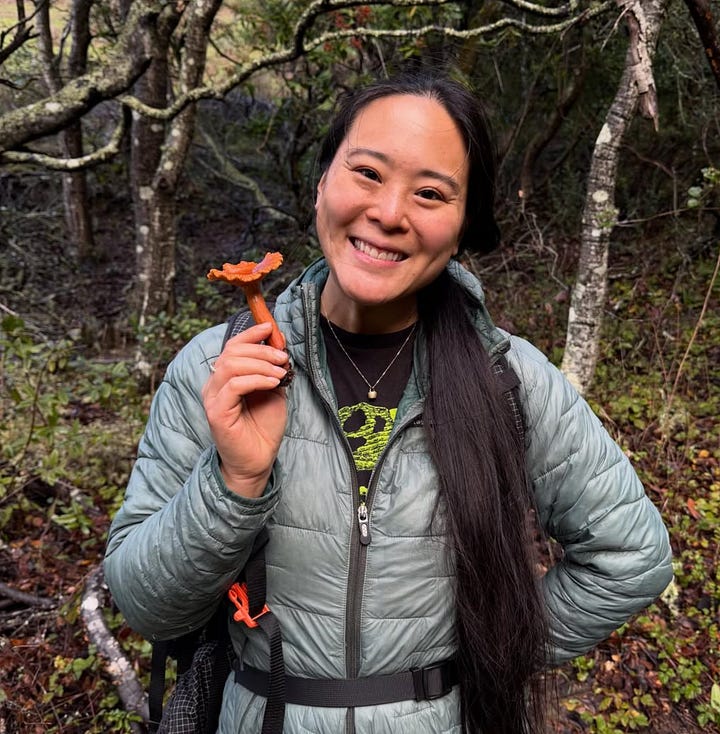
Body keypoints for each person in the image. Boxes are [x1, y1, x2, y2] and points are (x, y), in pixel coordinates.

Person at [104, 69, 673, 734]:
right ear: (322, 185)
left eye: (430, 193)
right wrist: (234, 481)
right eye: (368, 173)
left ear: (462, 226)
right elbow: (148, 608)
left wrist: (488, 654)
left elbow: (631, 558)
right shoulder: (217, 368)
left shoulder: (508, 378)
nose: (390, 212)